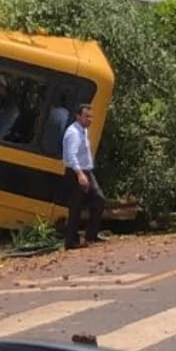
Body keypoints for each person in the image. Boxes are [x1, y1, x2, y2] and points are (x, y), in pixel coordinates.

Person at [62, 103, 107, 249]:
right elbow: (71, 156)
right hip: (76, 172)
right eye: (86, 117)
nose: (89, 120)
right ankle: (71, 241)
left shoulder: (83, 131)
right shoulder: (73, 133)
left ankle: (90, 236)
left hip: (86, 171)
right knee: (75, 208)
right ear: (78, 116)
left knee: (99, 200)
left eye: (91, 117)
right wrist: (80, 174)